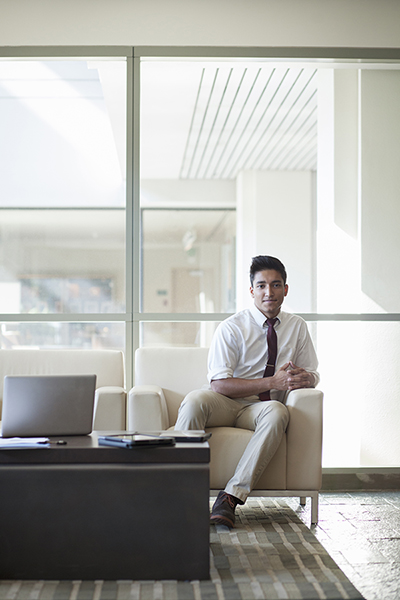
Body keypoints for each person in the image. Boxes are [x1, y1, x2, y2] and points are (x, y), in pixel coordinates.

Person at [174, 255, 319, 527]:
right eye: (262, 285)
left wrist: (307, 378)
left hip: (260, 409)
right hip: (224, 402)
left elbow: (312, 371)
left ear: (285, 289)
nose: (269, 292)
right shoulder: (232, 327)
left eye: (276, 285)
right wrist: (271, 383)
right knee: (194, 400)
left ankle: (231, 497)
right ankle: (178, 492)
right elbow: (219, 383)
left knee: (278, 412)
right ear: (252, 290)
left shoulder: (297, 326)